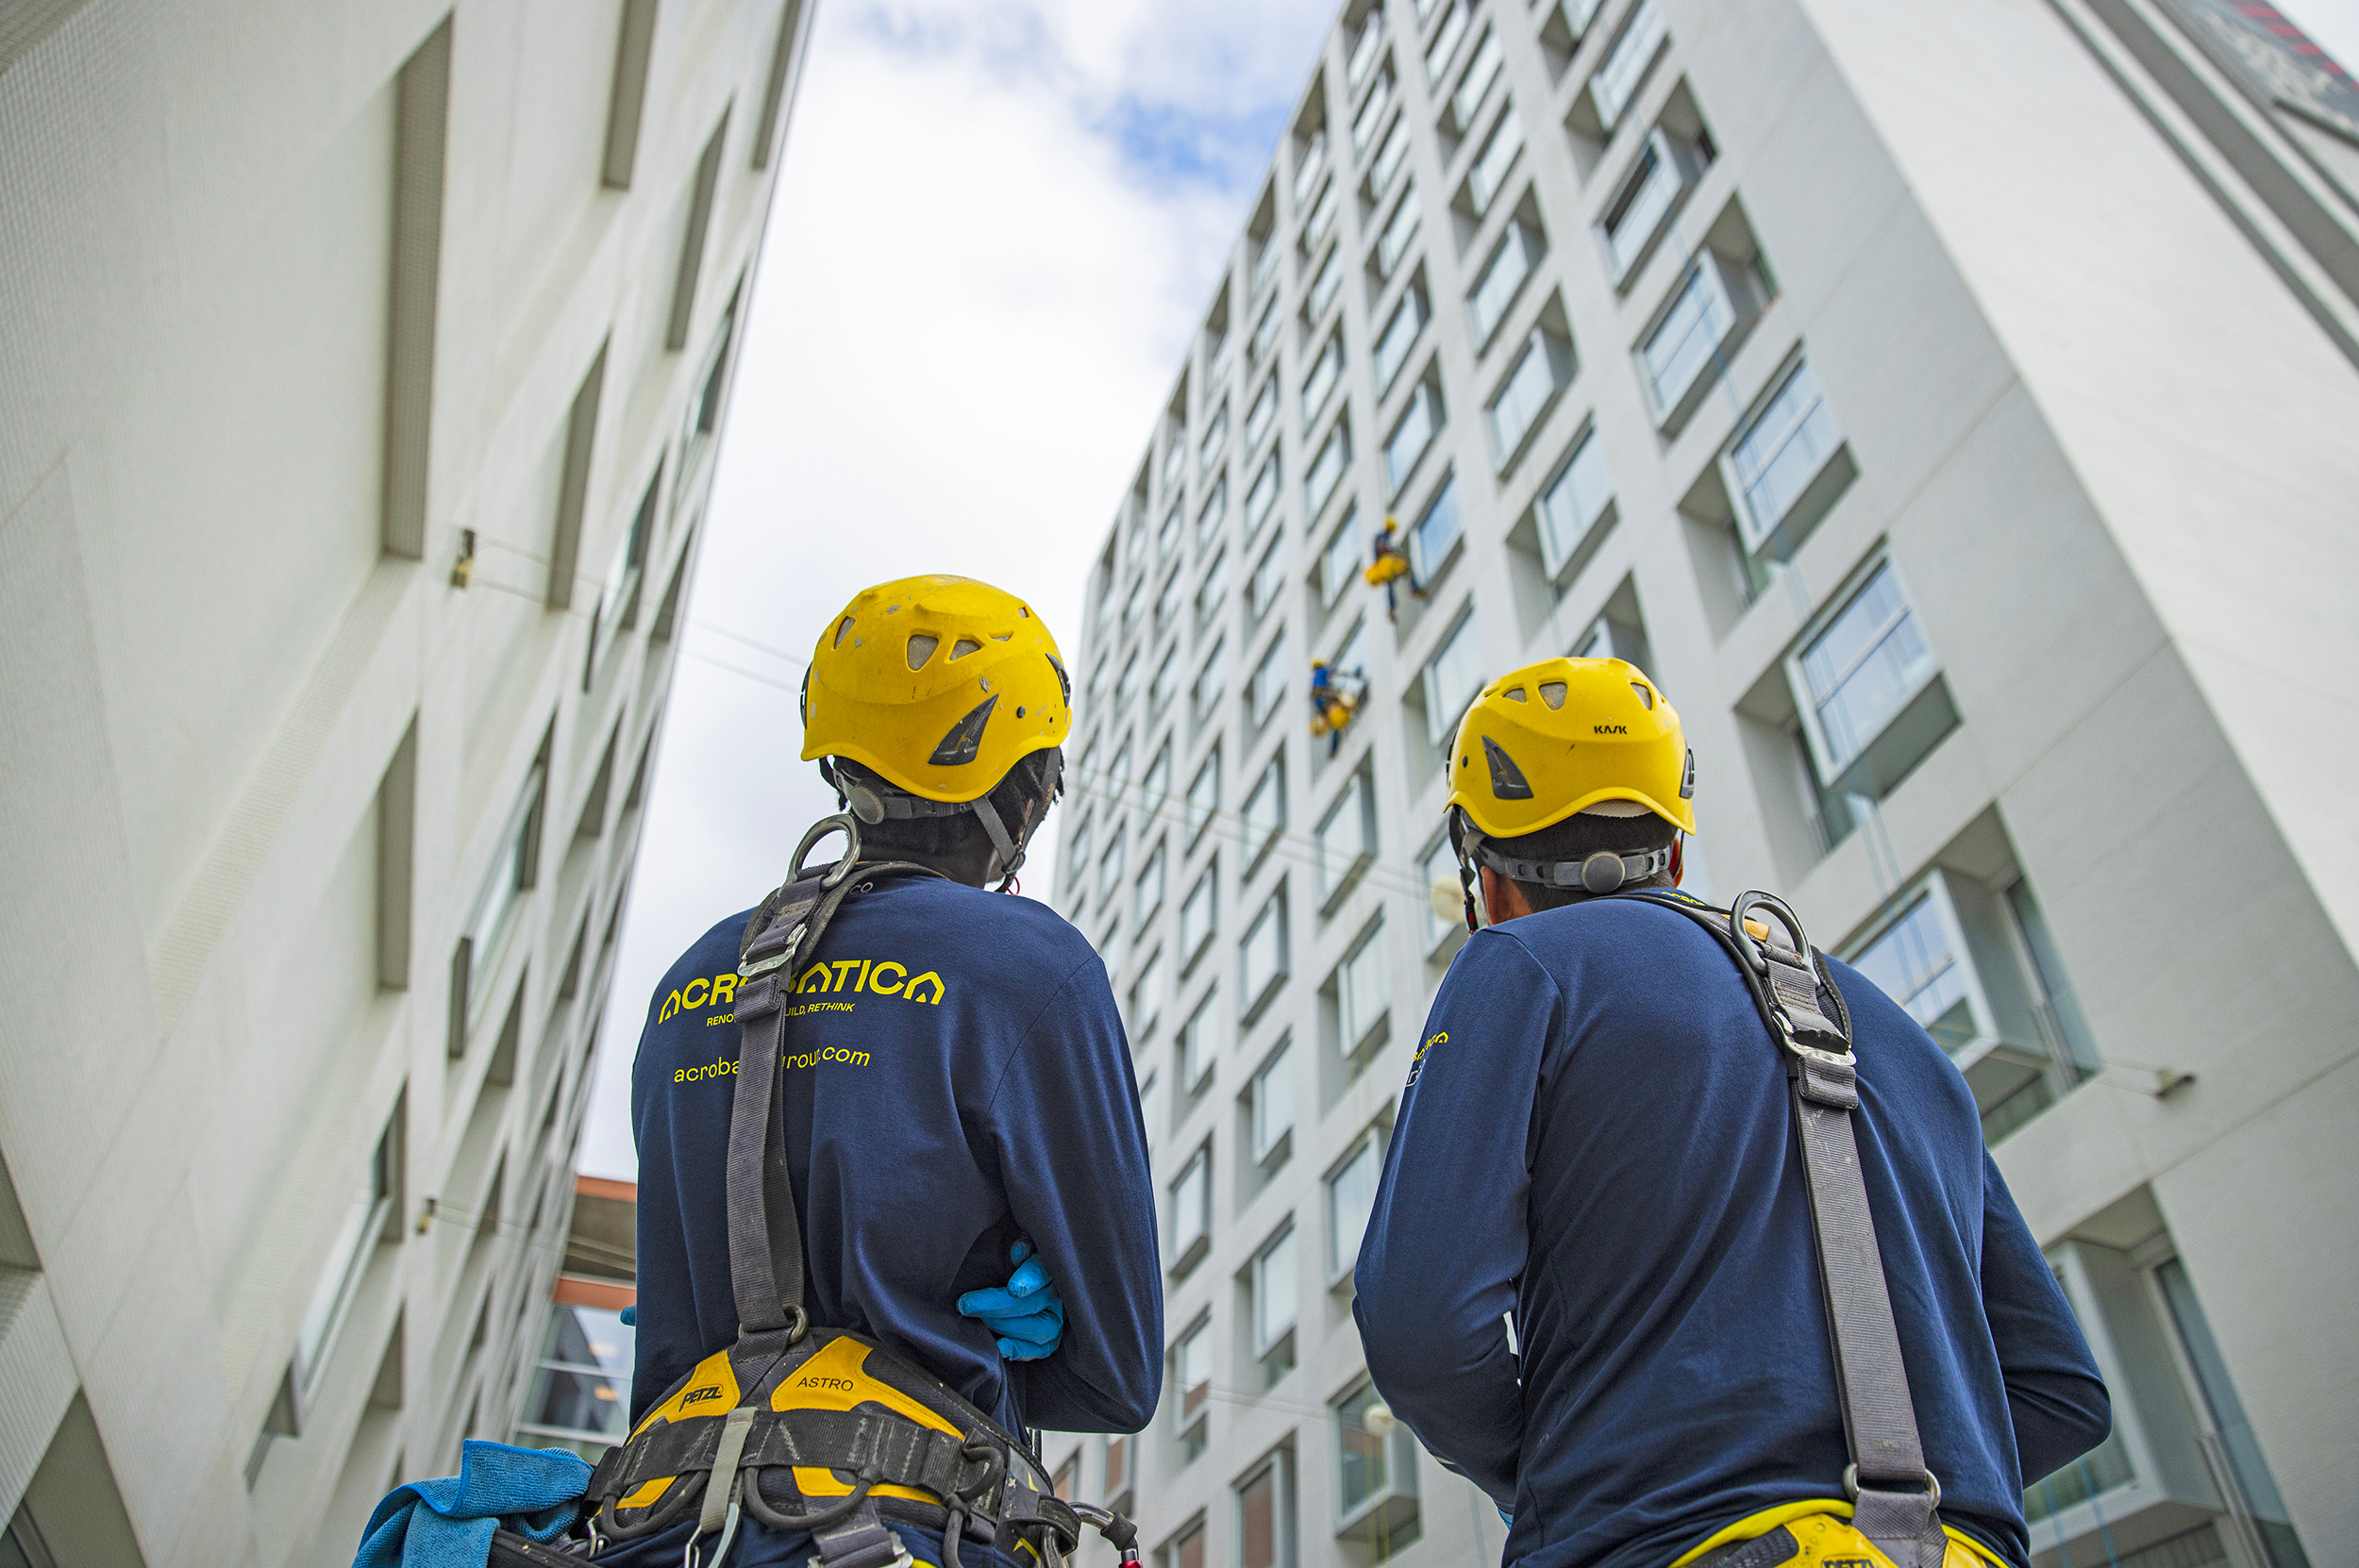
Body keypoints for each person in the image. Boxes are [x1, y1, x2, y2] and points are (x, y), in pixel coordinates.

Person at [1354, 655, 2110, 1568]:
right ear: (1674, 848)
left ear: (1483, 875)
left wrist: (1573, 1478)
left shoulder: (1522, 966)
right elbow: (2062, 1392)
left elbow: (1419, 1332)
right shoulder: (1898, 1039)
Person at [609, 575, 1163, 1568]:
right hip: (904, 1531)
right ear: (1025, 788)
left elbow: (669, 1335)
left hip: (657, 1530)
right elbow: (1118, 1374)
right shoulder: (1027, 967)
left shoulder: (692, 978)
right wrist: (987, 1331)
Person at [1364, 517, 1420, 615]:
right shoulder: (1381, 537)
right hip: (1387, 566)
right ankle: (1413, 588)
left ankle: (1393, 607)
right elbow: (1382, 547)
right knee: (1405, 570)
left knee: (1392, 586)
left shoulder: (1381, 537)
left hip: (1387, 566)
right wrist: (1391, 551)